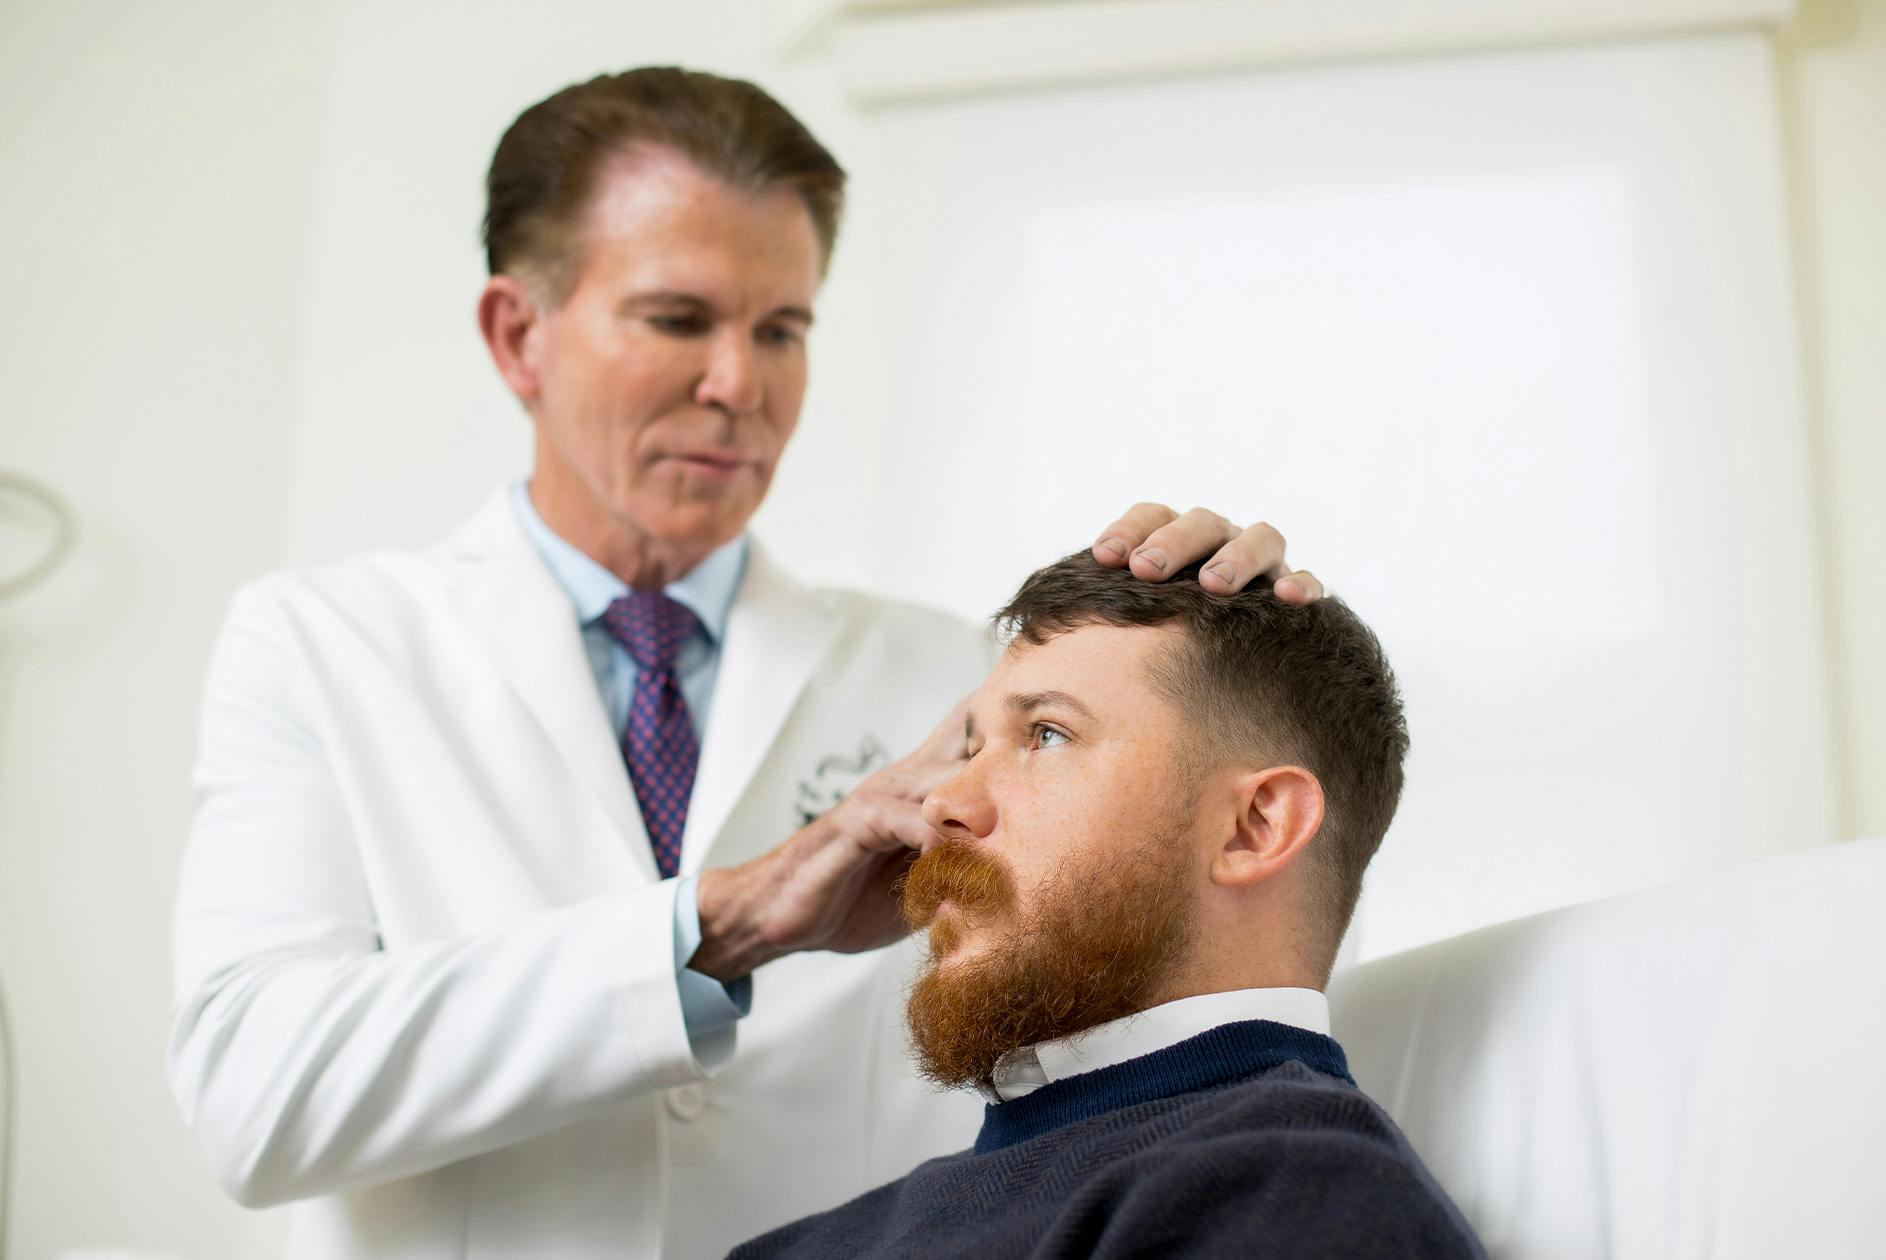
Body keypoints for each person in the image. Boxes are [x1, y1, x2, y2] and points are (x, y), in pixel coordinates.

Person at [167, 68, 1327, 1259]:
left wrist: (1231, 666)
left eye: (781, 330)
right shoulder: (321, 648)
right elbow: (252, 1097)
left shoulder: (956, 679)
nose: (741, 386)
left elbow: (1125, 1023)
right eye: (678, 321)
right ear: (518, 335)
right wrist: (720, 925)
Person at [734, 551, 1483, 1259]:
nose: (941, 803)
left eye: (1048, 733)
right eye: (971, 748)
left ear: (1255, 826)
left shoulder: (1302, 1199)